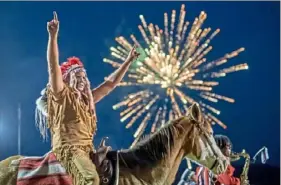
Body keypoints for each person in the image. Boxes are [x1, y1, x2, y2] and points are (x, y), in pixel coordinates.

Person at [35, 11, 139, 185]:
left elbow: (109, 85)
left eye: (85, 77)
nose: (83, 80)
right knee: (90, 179)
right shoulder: (62, 95)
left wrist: (127, 62)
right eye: (78, 76)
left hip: (88, 150)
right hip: (69, 151)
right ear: (67, 80)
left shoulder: (86, 102)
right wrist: (53, 36)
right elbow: (53, 67)